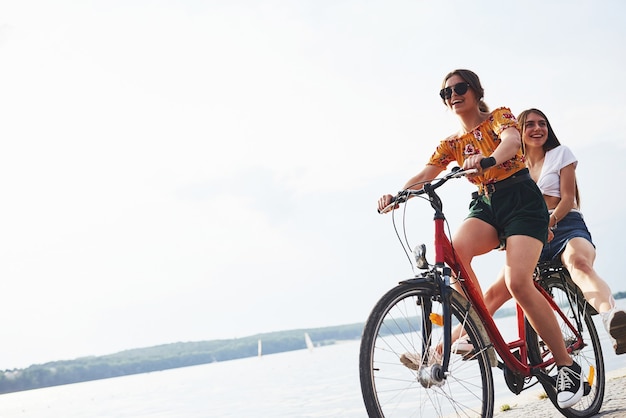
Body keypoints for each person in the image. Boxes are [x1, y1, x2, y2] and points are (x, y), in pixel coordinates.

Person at [378, 70, 583, 409]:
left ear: (475, 91)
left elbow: (511, 142)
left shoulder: (499, 117)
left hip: (521, 199)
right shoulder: (450, 144)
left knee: (518, 282)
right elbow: (427, 174)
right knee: (455, 253)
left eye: (460, 88)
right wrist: (399, 195)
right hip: (486, 203)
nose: (453, 95)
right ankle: (479, 329)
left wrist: (488, 159)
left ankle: (566, 366)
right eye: (446, 93)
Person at [454, 108, 626, 355]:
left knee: (579, 264)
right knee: (492, 295)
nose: (537, 129)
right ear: (516, 130)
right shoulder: (511, 165)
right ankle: (439, 352)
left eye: (542, 124)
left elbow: (567, 198)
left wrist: (550, 221)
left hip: (565, 226)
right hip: (527, 235)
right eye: (530, 125)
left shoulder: (560, 154)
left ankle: (611, 317)